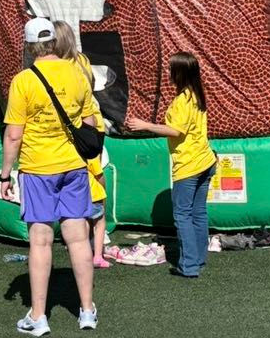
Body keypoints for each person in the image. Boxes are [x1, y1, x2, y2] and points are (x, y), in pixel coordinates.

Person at [0, 17, 97, 337]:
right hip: (73, 166)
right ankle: (86, 311)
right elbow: (90, 121)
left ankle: (39, 316)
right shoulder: (77, 71)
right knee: (79, 238)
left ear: (30, 46)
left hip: (37, 169)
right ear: (54, 41)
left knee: (40, 241)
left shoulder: (23, 81)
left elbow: (14, 135)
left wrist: (4, 174)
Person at [125, 52, 218, 278]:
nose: (168, 73)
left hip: (189, 165)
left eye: (171, 69)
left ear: (179, 73)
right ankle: (198, 258)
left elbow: (176, 131)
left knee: (183, 215)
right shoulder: (197, 94)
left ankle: (189, 265)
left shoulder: (182, 101)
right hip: (205, 161)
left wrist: (144, 125)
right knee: (198, 212)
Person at [54, 19, 109, 268]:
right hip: (93, 125)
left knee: (74, 177)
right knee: (92, 173)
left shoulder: (60, 68)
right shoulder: (82, 61)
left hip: (73, 129)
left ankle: (77, 234)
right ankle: (91, 234)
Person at [87, 157, 109, 268]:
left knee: (85, 225)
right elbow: (99, 176)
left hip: (78, 197)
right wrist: (103, 189)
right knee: (100, 224)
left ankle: (85, 255)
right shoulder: (91, 154)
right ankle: (97, 257)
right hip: (94, 195)